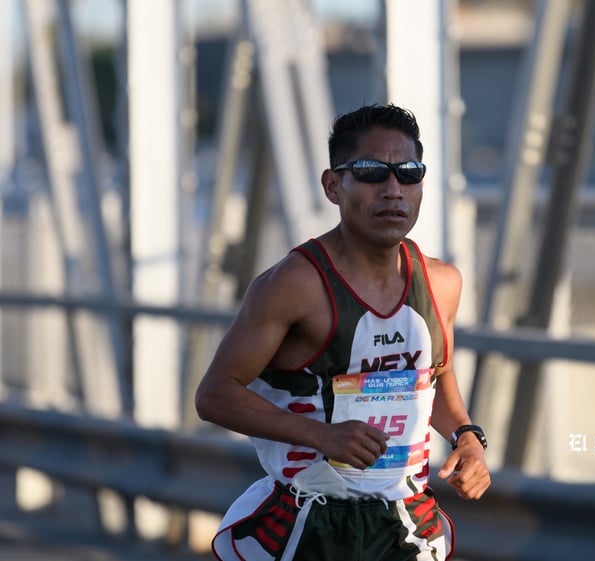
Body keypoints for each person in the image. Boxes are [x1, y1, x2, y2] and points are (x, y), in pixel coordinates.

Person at [195, 103, 491, 561]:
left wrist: (467, 437)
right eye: (372, 172)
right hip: (307, 522)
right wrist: (321, 436)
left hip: (404, 521)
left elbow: (434, 374)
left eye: (408, 173)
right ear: (334, 185)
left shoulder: (442, 283)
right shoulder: (294, 284)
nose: (394, 190)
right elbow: (215, 394)